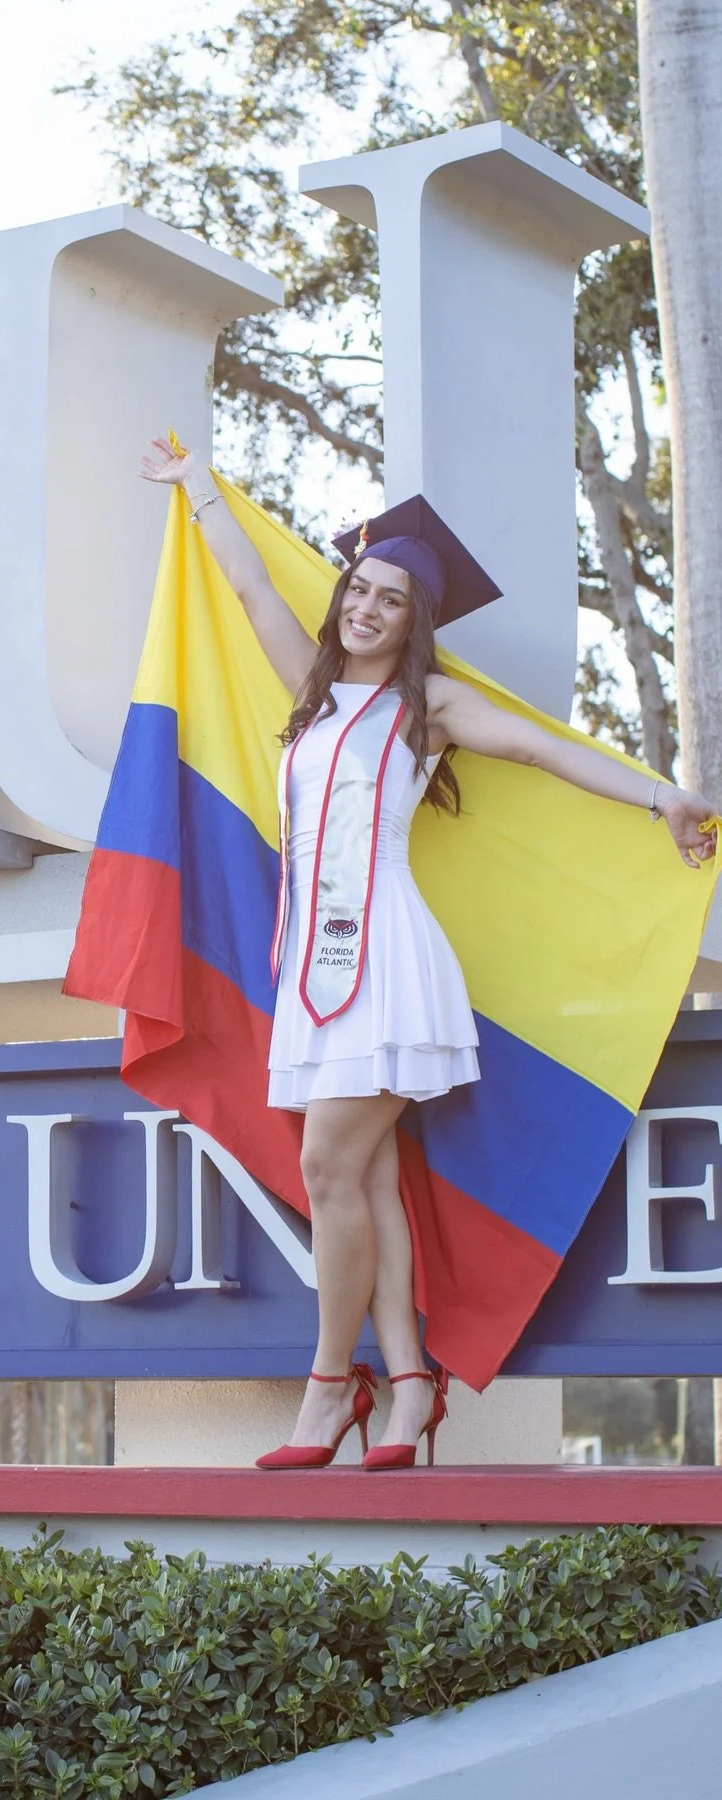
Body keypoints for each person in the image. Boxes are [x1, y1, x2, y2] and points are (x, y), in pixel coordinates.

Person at [139, 436, 718, 1468]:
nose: (365, 607)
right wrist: (196, 488)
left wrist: (662, 795)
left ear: (416, 621)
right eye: (358, 588)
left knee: (327, 1165)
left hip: (390, 965)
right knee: (364, 1178)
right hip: (313, 970)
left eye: (391, 599)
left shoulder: (427, 709)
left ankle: (329, 1389)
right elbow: (247, 584)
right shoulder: (312, 694)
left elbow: (547, 750)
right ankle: (410, 1388)